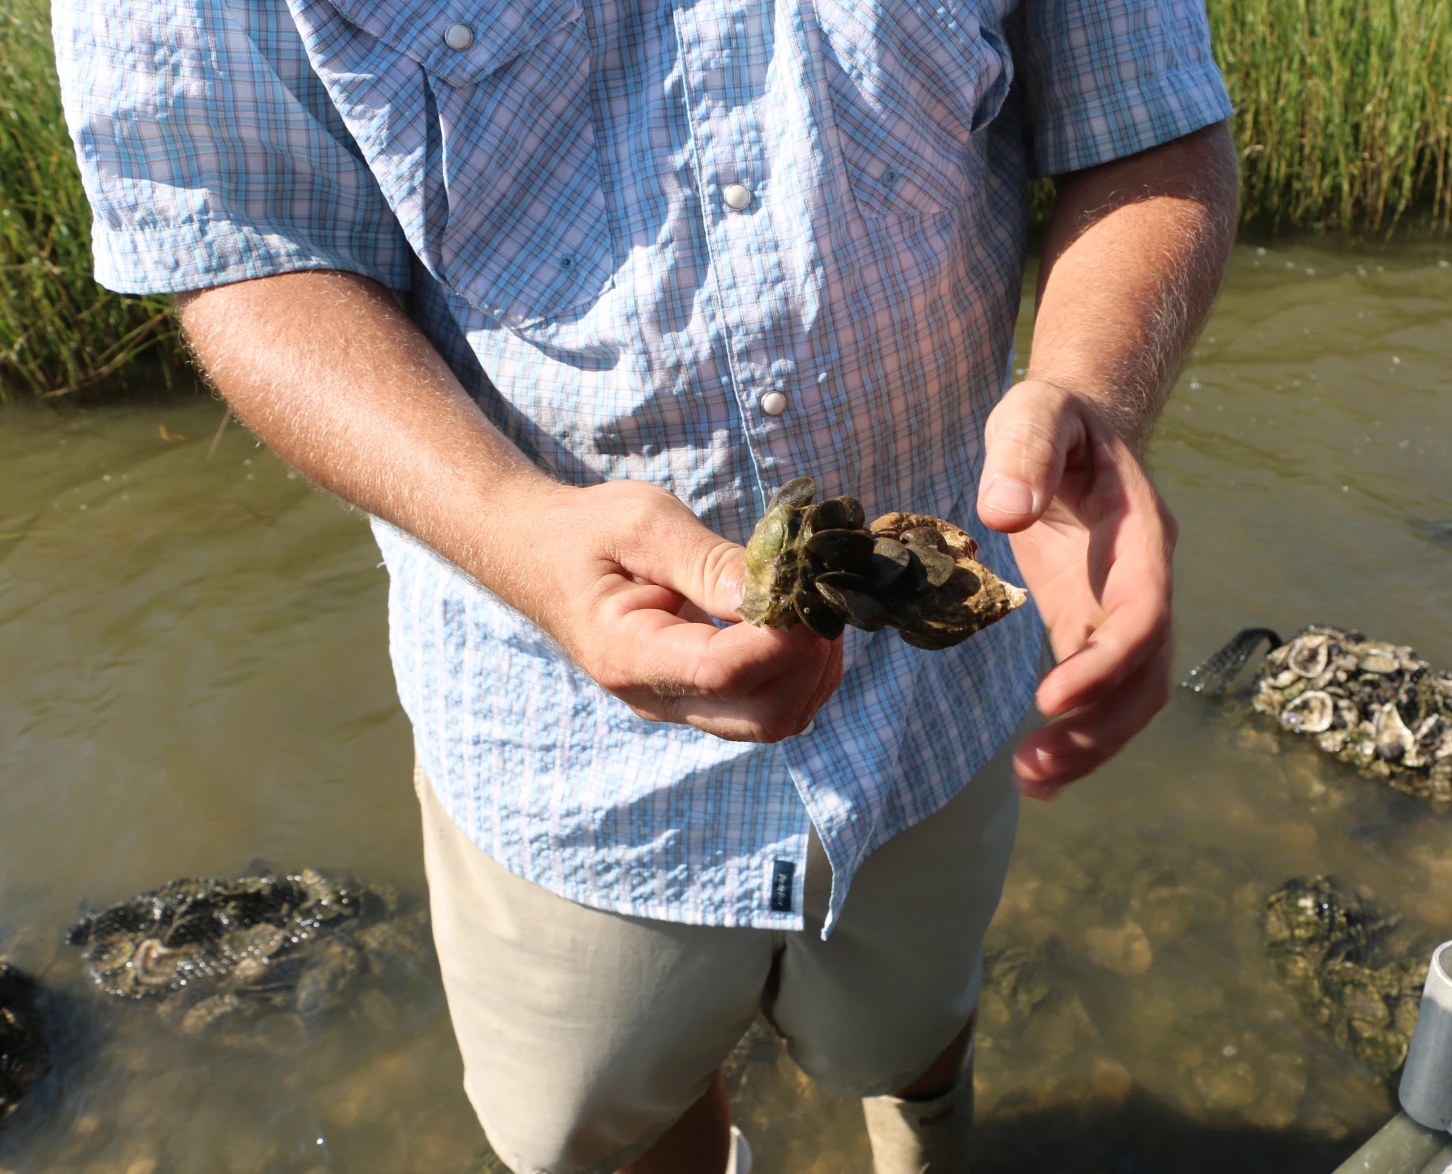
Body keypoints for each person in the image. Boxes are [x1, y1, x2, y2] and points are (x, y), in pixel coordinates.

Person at [52, 0, 1238, 1167]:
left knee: (915, 1022)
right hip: (556, 732)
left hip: (931, 695)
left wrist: (1089, 403)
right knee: (617, 1118)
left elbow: (1145, 121)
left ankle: (925, 1135)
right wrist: (511, 525)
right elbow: (245, 243)